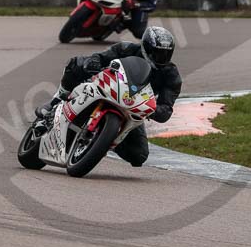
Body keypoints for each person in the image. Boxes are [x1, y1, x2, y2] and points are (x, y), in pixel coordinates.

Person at [37, 26, 181, 167]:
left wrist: (152, 110)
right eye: (156, 52)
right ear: (146, 47)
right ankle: (56, 100)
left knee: (139, 155)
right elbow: (102, 57)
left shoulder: (171, 75)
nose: (161, 57)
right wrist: (94, 61)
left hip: (132, 106)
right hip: (107, 87)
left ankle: (102, 142)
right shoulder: (127, 49)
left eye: (165, 54)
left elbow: (166, 108)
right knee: (77, 64)